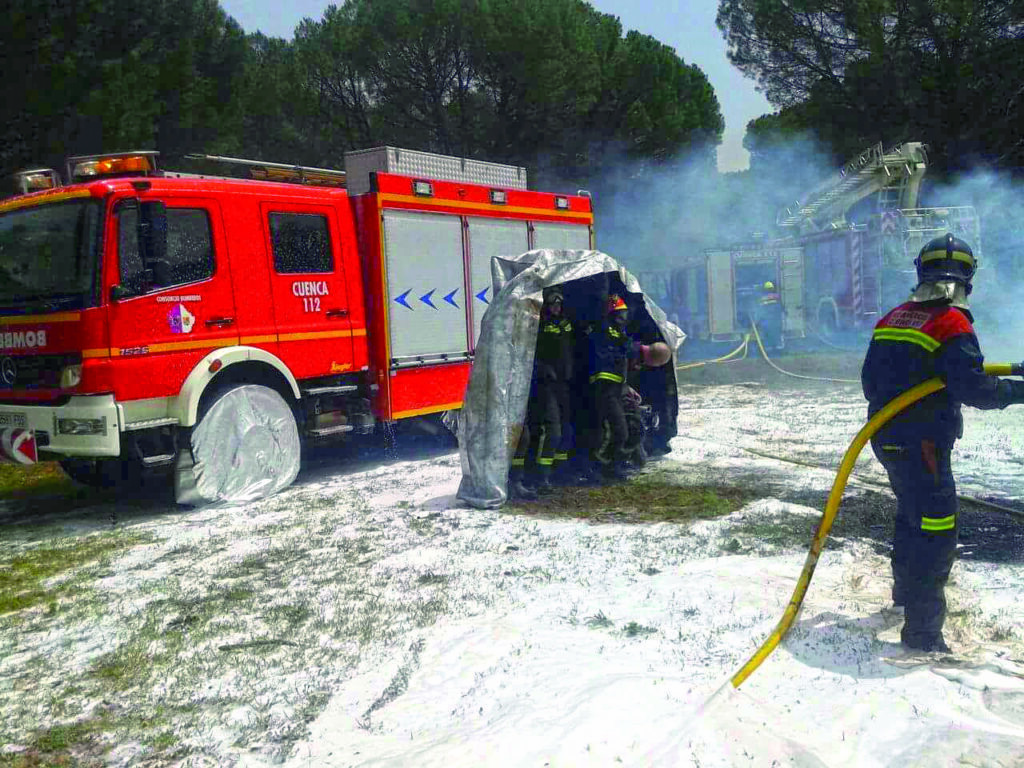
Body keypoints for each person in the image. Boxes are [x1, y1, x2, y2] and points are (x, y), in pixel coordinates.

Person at [862, 233, 1024, 652]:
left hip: (886, 435)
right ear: (968, 277)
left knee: (910, 514)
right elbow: (976, 389)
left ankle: (904, 596)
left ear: (921, 270)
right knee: (935, 531)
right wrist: (1017, 390)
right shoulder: (952, 323)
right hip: (924, 444)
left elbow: (869, 383)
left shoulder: (893, 318)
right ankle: (923, 634)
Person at [509, 286, 574, 498]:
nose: (557, 307)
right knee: (551, 431)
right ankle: (540, 476)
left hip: (562, 385)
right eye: (553, 303)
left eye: (559, 303)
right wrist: (542, 369)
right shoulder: (538, 326)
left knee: (565, 429)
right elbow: (527, 353)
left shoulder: (564, 324)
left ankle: (558, 472)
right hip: (544, 385)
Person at [588, 294, 644, 482]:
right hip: (604, 389)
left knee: (625, 429)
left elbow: (626, 350)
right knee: (618, 430)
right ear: (612, 314)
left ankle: (612, 467)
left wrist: (626, 386)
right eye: (621, 314)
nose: (624, 318)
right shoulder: (605, 330)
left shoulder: (618, 332)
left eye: (625, 314)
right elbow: (622, 350)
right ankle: (600, 468)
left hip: (616, 388)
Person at [753, 280, 784, 351]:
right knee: (776, 333)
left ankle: (768, 348)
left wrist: (756, 322)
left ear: (765, 290)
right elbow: (781, 307)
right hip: (775, 319)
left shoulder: (762, 298)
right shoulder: (777, 296)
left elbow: (759, 310)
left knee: (767, 334)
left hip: (766, 320)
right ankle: (778, 347)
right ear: (772, 288)